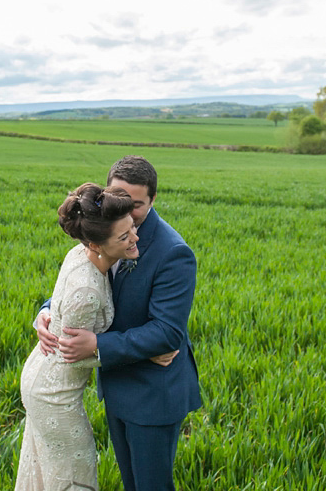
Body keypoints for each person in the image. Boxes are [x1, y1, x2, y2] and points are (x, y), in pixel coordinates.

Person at [36, 156, 201, 491]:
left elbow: (168, 332)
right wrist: (47, 312)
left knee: (151, 486)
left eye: (136, 204)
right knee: (130, 483)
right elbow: (82, 283)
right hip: (116, 384)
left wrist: (98, 345)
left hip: (153, 392)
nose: (126, 210)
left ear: (153, 199)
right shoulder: (101, 233)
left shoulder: (172, 252)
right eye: (118, 198)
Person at [16, 182, 148, 491]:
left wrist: (46, 315)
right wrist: (147, 352)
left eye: (132, 228)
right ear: (98, 245)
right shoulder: (86, 291)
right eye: (124, 236)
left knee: (51, 466)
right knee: (75, 472)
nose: (135, 238)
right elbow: (73, 357)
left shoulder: (81, 252)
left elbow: (59, 308)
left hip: (43, 374)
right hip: (53, 392)